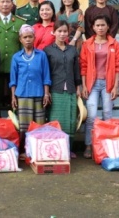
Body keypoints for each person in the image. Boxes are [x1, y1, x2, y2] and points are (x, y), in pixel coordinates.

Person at [80, 14, 119, 159]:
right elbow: (83, 66)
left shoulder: (114, 44)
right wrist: (84, 85)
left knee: (107, 114)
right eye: (97, 25)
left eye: (103, 25)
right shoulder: (87, 44)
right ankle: (89, 145)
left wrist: (116, 86)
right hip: (92, 84)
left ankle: (106, 146)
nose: (100, 28)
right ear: (92, 27)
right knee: (91, 116)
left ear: (108, 26)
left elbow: (117, 66)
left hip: (108, 84)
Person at [10, 24, 52, 154]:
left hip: (38, 93)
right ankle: (24, 150)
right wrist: (13, 97)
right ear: (20, 39)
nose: (28, 39)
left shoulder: (41, 55)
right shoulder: (16, 57)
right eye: (25, 37)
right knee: (24, 125)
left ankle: (38, 150)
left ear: (34, 38)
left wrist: (46, 93)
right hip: (22, 95)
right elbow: (13, 79)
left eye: (30, 37)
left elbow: (46, 75)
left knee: (38, 124)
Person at [44, 20, 82, 158]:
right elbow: (45, 72)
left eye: (65, 31)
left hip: (71, 89)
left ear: (68, 33)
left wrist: (78, 87)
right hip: (55, 89)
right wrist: (46, 92)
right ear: (53, 32)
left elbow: (76, 70)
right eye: (59, 31)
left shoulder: (72, 50)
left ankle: (69, 149)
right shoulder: (47, 50)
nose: (62, 34)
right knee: (56, 120)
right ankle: (55, 148)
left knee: (71, 120)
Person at [0, 0, 26, 108]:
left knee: (15, 98)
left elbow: (24, 45)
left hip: (15, 66)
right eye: (2, 2)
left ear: (12, 4)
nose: (5, 4)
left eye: (7, 2)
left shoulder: (21, 22)